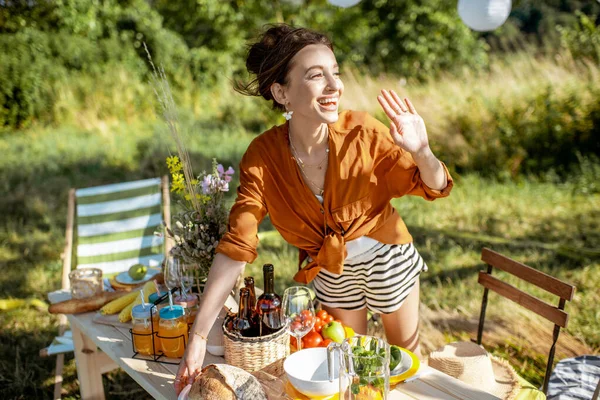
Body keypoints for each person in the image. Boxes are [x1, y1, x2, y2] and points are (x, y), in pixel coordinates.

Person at [174, 24, 453, 393]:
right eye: (316, 76)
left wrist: (422, 152)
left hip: (387, 256)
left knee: (403, 368)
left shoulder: (363, 132)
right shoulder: (263, 157)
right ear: (282, 92)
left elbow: (433, 185)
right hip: (330, 269)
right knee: (349, 371)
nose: (334, 86)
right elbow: (237, 247)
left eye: (335, 73)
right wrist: (197, 337)